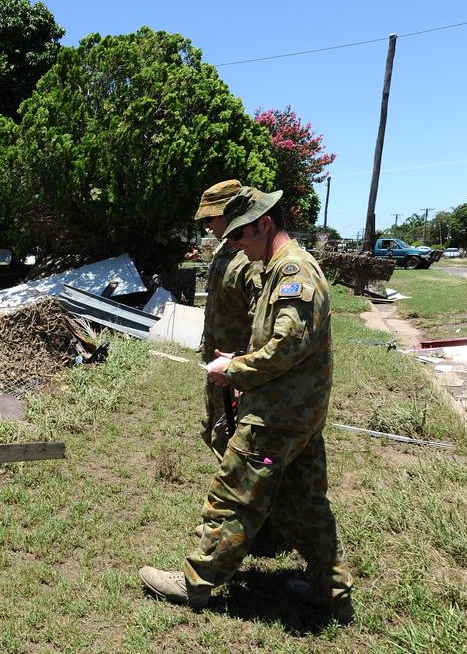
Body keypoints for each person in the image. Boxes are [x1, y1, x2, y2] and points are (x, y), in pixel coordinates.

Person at [139, 187, 354, 623]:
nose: (234, 244)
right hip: (298, 414)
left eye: (240, 235)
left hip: (276, 414)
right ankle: (329, 590)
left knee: (232, 492)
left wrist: (234, 369)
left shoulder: (293, 272)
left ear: (265, 224)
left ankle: (195, 581)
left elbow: (285, 346)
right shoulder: (278, 266)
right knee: (305, 503)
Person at [193, 179, 260, 457]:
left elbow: (261, 323)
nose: (207, 225)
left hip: (237, 371)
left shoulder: (251, 260)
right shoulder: (223, 250)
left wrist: (241, 369)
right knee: (217, 432)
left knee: (239, 444)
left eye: (211, 217)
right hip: (216, 363)